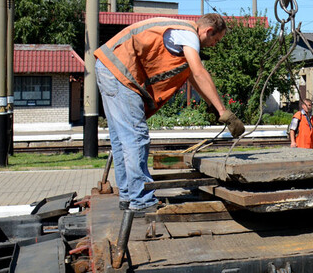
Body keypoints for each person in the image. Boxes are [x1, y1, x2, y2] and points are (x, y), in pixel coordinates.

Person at [95, 13, 244, 214]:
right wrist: (225, 113)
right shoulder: (188, 34)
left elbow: (192, 75)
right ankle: (141, 200)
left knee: (122, 140)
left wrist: (211, 104)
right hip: (119, 72)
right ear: (208, 31)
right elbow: (199, 72)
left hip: (108, 67)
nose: (214, 45)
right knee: (135, 139)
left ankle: (129, 196)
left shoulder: (180, 34)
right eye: (215, 40)